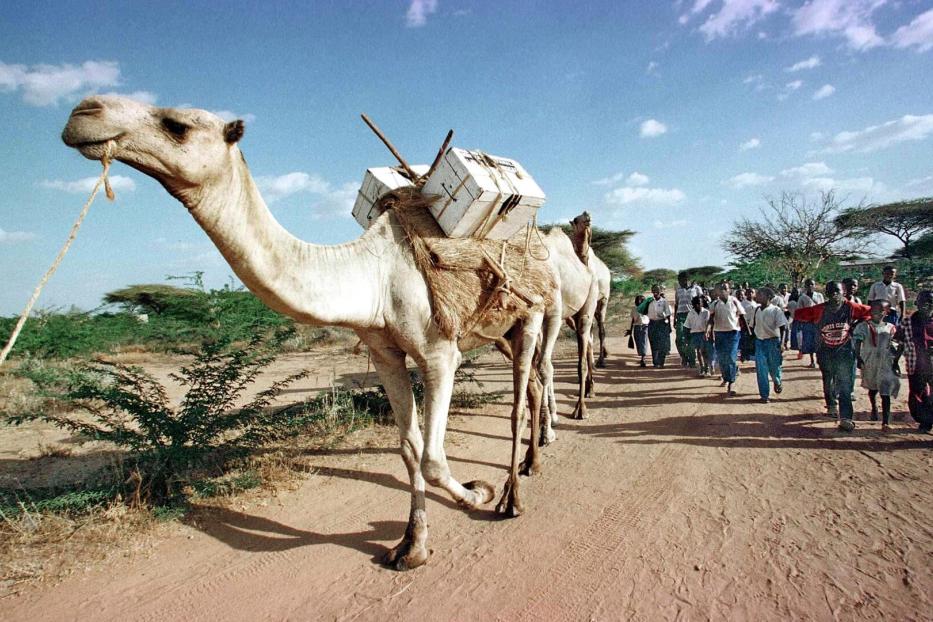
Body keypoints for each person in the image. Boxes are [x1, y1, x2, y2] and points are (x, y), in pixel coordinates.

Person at [794, 281, 872, 431]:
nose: (834, 294)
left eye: (837, 291)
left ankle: (846, 417)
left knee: (845, 383)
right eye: (830, 292)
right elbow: (799, 315)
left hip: (844, 350)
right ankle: (831, 405)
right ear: (826, 294)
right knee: (828, 378)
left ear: (844, 291)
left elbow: (869, 312)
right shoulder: (819, 309)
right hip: (825, 350)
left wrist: (856, 324)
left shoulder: (851, 307)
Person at [853, 300, 900, 430]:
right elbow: (857, 342)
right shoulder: (864, 326)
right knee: (873, 388)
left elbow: (894, 345)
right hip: (870, 361)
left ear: (886, 312)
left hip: (885, 362)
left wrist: (895, 362)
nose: (876, 313)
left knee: (885, 391)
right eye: (873, 310)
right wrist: (858, 357)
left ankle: (885, 421)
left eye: (880, 310)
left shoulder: (890, 327)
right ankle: (874, 407)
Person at [895, 290, 933, 434]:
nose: (926, 306)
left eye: (930, 303)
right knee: (917, 393)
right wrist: (895, 361)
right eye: (923, 302)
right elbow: (900, 342)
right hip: (915, 363)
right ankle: (924, 421)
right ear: (917, 303)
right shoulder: (908, 322)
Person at [749, 287, 787, 403]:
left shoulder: (776, 310)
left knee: (774, 367)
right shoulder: (755, 310)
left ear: (768, 297)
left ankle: (777, 381)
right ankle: (764, 395)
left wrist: (782, 343)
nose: (758, 296)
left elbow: (783, 328)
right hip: (759, 342)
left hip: (772, 342)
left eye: (761, 294)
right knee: (761, 370)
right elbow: (752, 326)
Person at [708, 282, 746, 396]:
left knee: (731, 357)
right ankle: (725, 377)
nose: (723, 291)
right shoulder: (715, 304)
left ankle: (731, 382)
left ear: (729, 290)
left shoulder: (734, 301)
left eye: (725, 288)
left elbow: (742, 316)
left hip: (733, 333)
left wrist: (748, 333)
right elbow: (711, 319)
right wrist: (708, 330)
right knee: (722, 358)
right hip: (719, 333)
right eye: (721, 289)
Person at [674, 273, 702, 368]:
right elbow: (676, 305)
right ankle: (684, 356)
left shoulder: (695, 289)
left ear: (687, 280)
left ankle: (692, 360)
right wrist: (674, 319)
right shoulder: (678, 291)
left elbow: (700, 302)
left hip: (692, 316)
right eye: (679, 281)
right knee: (680, 339)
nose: (681, 282)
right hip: (681, 316)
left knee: (691, 339)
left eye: (682, 280)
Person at [796, 278, 824, 368]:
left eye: (812, 284)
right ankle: (812, 361)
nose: (810, 286)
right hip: (808, 323)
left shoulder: (819, 296)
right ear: (805, 286)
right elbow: (799, 311)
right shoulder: (802, 298)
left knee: (819, 341)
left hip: (819, 322)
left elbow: (823, 308)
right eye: (808, 285)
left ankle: (820, 359)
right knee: (810, 341)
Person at [645, 285, 673, 368]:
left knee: (662, 344)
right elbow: (642, 310)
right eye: (653, 290)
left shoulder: (664, 302)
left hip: (661, 323)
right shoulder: (649, 302)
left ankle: (661, 362)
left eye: (657, 290)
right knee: (653, 343)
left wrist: (669, 326)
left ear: (660, 291)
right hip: (652, 323)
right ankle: (655, 362)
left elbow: (668, 314)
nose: (655, 292)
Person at [685, 294, 711, 376]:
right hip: (695, 334)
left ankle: (707, 368)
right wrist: (686, 337)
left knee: (704, 351)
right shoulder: (690, 314)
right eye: (697, 303)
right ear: (694, 305)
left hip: (704, 333)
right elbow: (687, 326)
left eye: (701, 303)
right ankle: (702, 367)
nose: (699, 305)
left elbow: (709, 324)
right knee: (699, 351)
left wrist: (708, 333)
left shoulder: (706, 312)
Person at [628, 294, 650, 367]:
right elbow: (632, 320)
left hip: (645, 327)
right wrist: (630, 330)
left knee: (643, 342)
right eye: (639, 299)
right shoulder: (634, 309)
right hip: (636, 327)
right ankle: (642, 356)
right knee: (638, 343)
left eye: (642, 300)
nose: (641, 301)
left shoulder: (646, 308)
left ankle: (643, 358)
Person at [739, 287, 759, 362]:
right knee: (745, 340)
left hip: (754, 324)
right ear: (746, 294)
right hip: (745, 324)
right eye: (748, 292)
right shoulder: (743, 304)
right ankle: (743, 355)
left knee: (753, 340)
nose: (750, 294)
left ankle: (751, 355)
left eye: (752, 292)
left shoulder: (755, 303)